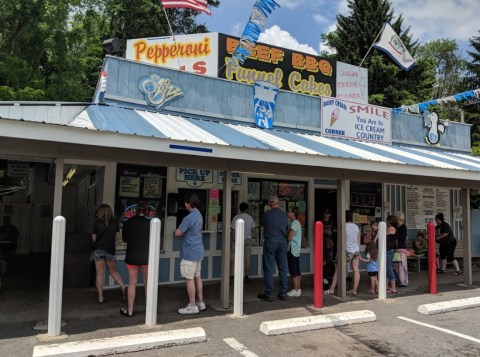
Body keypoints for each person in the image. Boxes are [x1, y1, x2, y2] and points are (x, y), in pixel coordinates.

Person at [176, 193, 206, 314]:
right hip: (199, 250)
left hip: (189, 252)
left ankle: (192, 305)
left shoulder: (188, 218)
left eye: (186, 202)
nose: (184, 204)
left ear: (189, 203)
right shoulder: (199, 214)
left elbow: (178, 233)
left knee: (189, 279)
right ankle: (201, 302)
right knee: (197, 277)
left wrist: (181, 231)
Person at [91, 204, 126, 304]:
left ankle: (100, 297)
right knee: (112, 271)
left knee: (100, 274)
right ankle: (123, 287)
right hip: (110, 250)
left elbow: (93, 238)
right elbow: (117, 238)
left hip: (98, 250)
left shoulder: (96, 223)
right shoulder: (115, 223)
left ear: (100, 212)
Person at [120, 202, 151, 317]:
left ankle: (130, 310)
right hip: (146, 257)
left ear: (135, 211)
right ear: (146, 211)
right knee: (147, 283)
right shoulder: (150, 223)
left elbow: (125, 239)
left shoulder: (128, 223)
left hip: (132, 256)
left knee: (132, 283)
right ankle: (149, 309)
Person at [257, 195, 289, 302]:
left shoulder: (266, 215)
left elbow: (261, 225)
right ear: (278, 203)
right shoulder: (284, 215)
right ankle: (283, 293)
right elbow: (286, 228)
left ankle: (269, 294)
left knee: (269, 269)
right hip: (282, 241)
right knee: (283, 269)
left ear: (269, 204)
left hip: (270, 241)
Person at [325, 211, 361, 296]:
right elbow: (358, 240)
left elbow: (341, 241)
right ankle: (354, 290)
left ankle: (332, 289)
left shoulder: (343, 226)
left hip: (346, 251)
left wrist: (338, 253)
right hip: (355, 250)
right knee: (356, 270)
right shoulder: (356, 227)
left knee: (338, 270)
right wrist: (358, 251)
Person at [230, 202, 256, 284]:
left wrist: (233, 239)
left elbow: (233, 230)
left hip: (238, 240)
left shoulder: (236, 217)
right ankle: (246, 276)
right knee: (247, 259)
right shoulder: (250, 218)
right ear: (247, 209)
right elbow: (253, 230)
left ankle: (232, 276)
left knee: (234, 259)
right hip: (248, 240)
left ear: (240, 209)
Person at [286, 206, 302, 297]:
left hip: (292, 249)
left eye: (289, 211)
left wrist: (286, 233)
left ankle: (295, 290)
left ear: (293, 213)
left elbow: (289, 237)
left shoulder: (294, 223)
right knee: (297, 269)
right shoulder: (297, 223)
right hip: (296, 250)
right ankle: (298, 289)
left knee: (293, 270)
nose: (288, 213)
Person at [394, 211, 408, 287]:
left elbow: (401, 237)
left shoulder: (403, 227)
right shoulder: (395, 227)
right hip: (395, 249)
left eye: (400, 220)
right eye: (397, 219)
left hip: (401, 248)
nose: (398, 221)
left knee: (402, 266)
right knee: (396, 266)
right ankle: (397, 280)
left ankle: (403, 282)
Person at [386, 215, 398, 294]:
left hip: (388, 251)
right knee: (387, 268)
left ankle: (393, 287)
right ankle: (387, 286)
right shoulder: (394, 229)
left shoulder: (391, 229)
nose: (386, 222)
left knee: (389, 268)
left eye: (387, 221)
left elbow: (383, 236)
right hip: (390, 250)